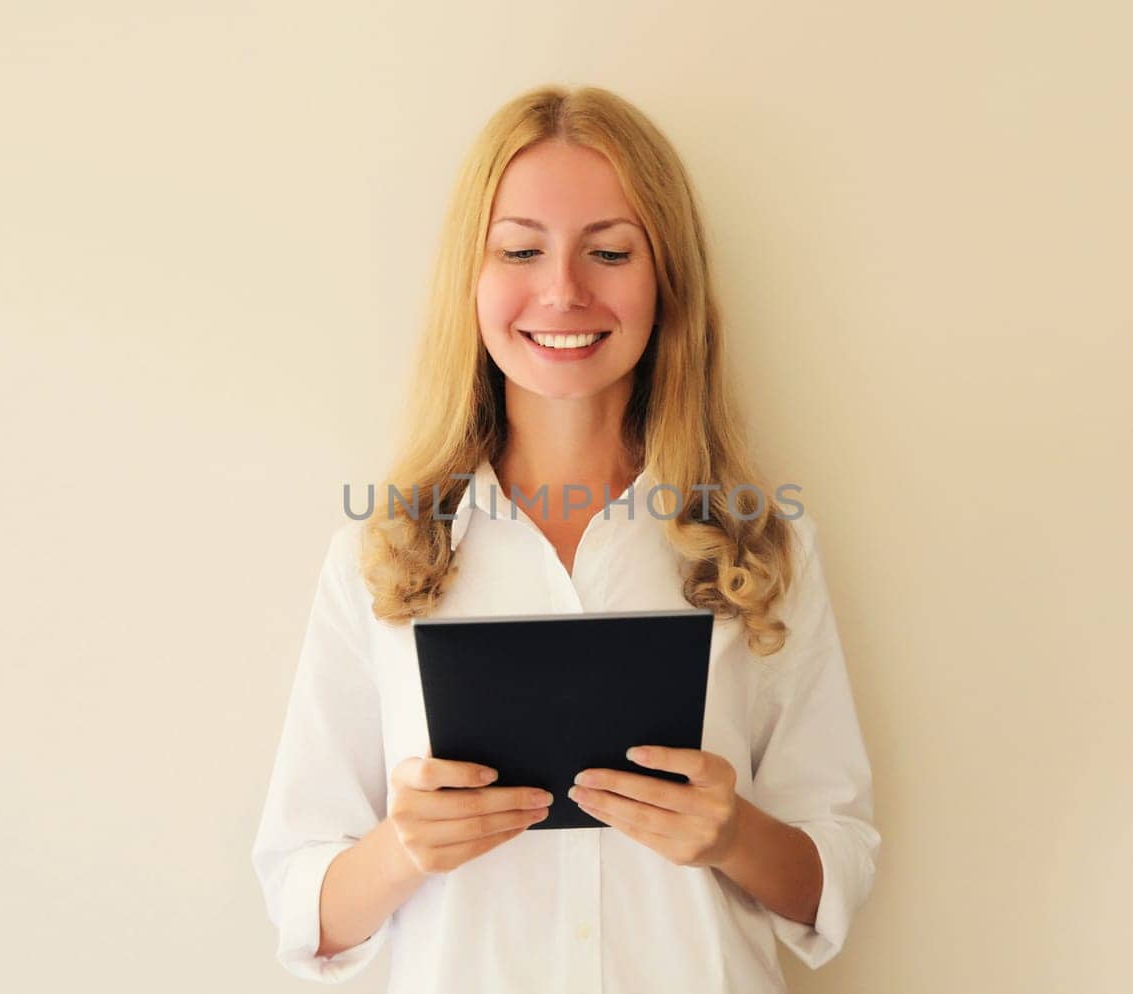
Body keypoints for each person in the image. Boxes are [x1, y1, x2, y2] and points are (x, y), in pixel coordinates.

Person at [251, 83, 880, 993]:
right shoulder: (383, 556)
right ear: (472, 277)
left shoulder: (760, 548)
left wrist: (733, 834)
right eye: (519, 250)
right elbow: (301, 899)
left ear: (667, 281)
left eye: (611, 252)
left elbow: (838, 866)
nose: (563, 291)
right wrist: (405, 847)